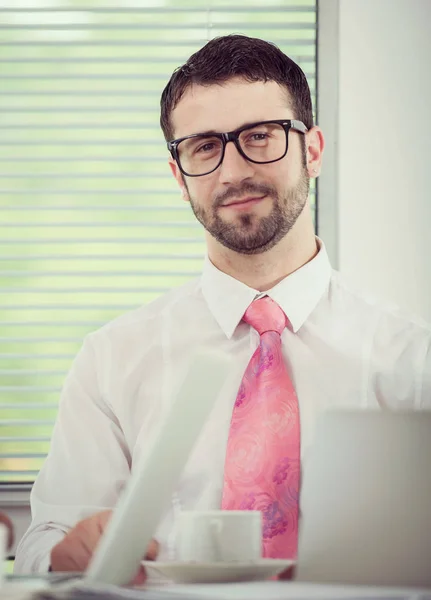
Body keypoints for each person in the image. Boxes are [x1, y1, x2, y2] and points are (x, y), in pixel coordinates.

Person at [14, 34, 431, 578]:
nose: (233, 172)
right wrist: (64, 554)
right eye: (205, 147)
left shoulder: (413, 359)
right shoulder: (111, 359)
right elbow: (44, 543)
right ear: (179, 178)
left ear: (312, 151)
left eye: (260, 136)